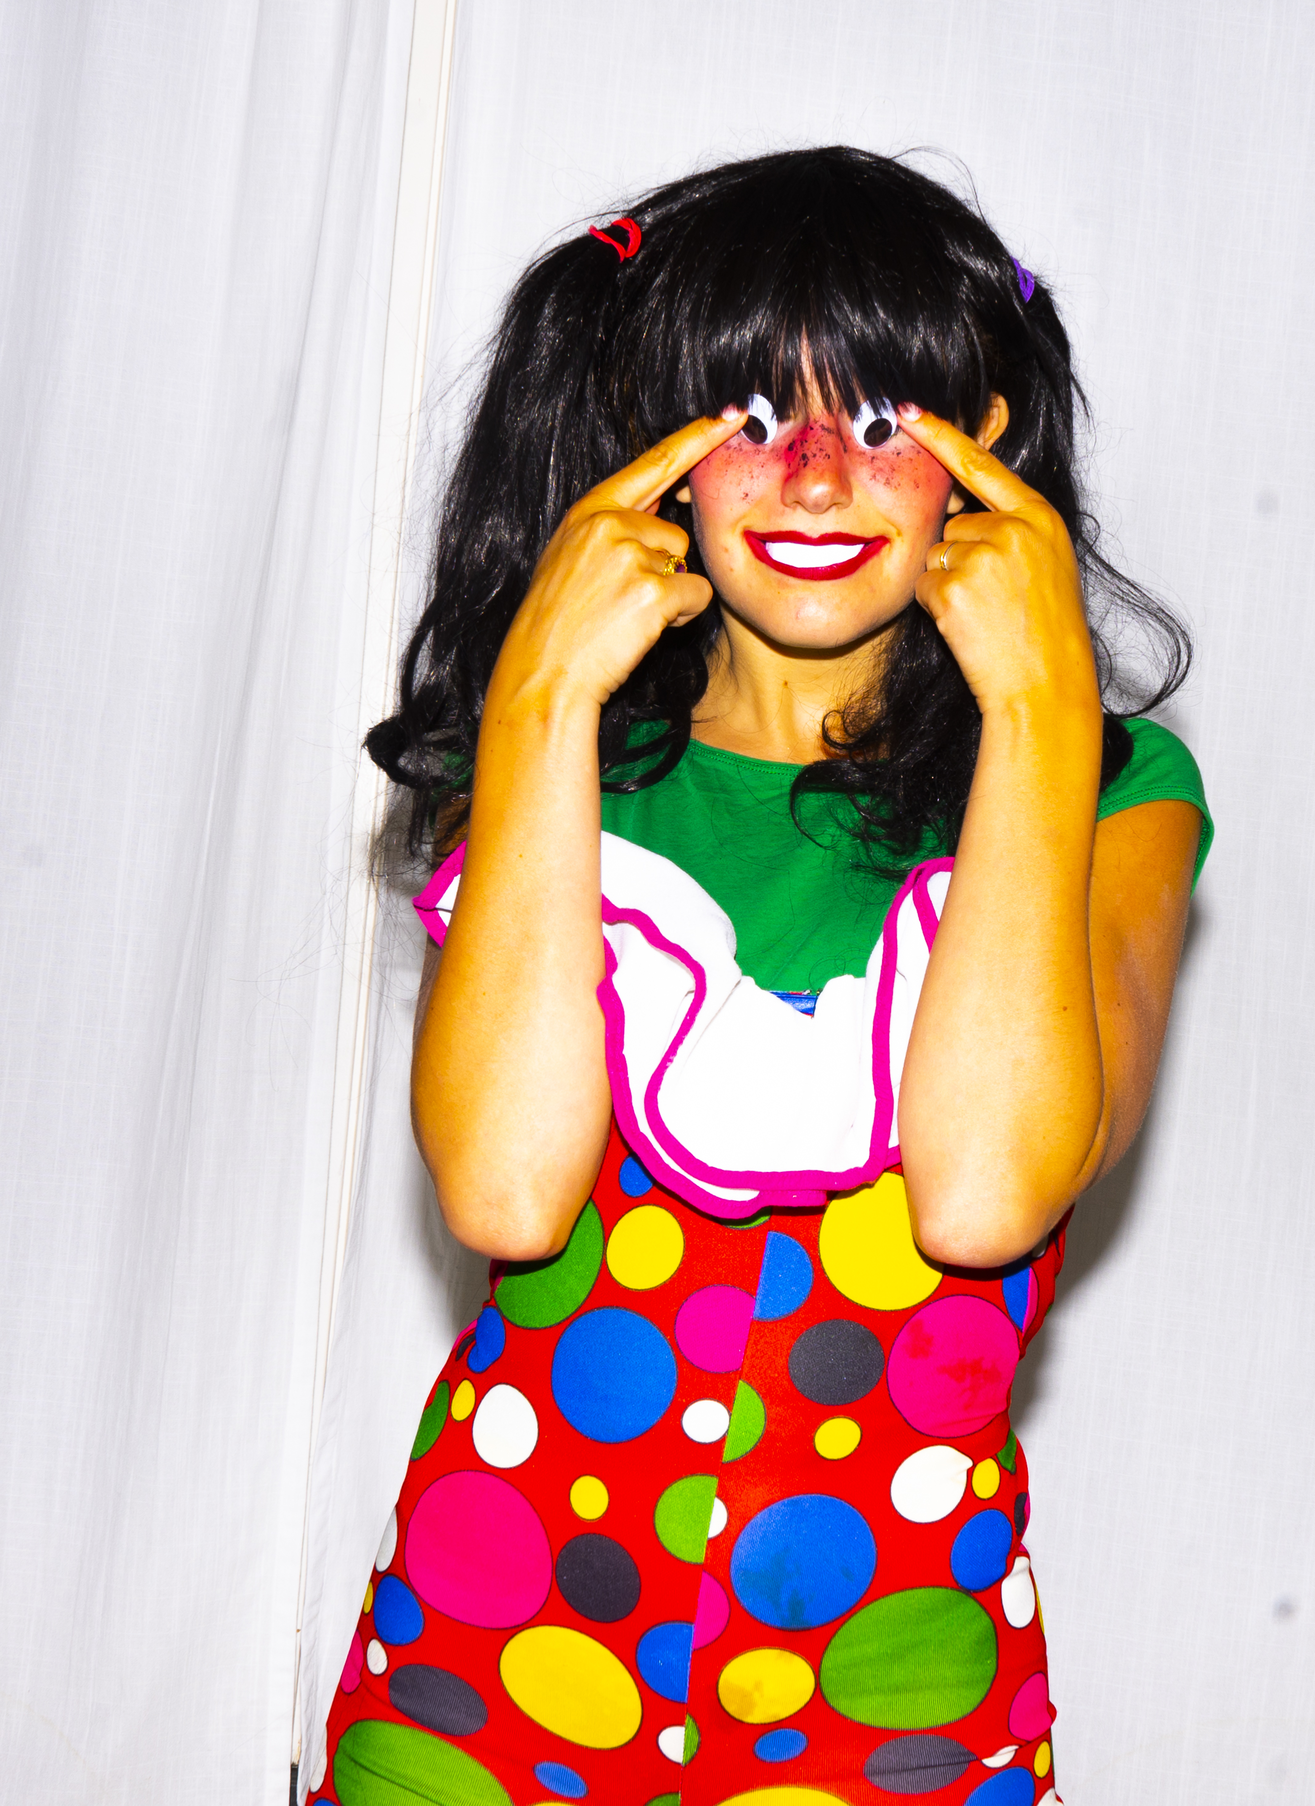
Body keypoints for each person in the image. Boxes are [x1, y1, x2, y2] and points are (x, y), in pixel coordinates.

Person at [317, 146, 1212, 1806]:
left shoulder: (1109, 787)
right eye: (746, 415)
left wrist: (1034, 706)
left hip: (888, 1695)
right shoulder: (562, 769)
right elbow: (505, 1189)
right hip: (484, 1661)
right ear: (645, 446)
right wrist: (538, 702)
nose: (811, 477)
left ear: (983, 441)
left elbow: (987, 1194)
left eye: (876, 418)